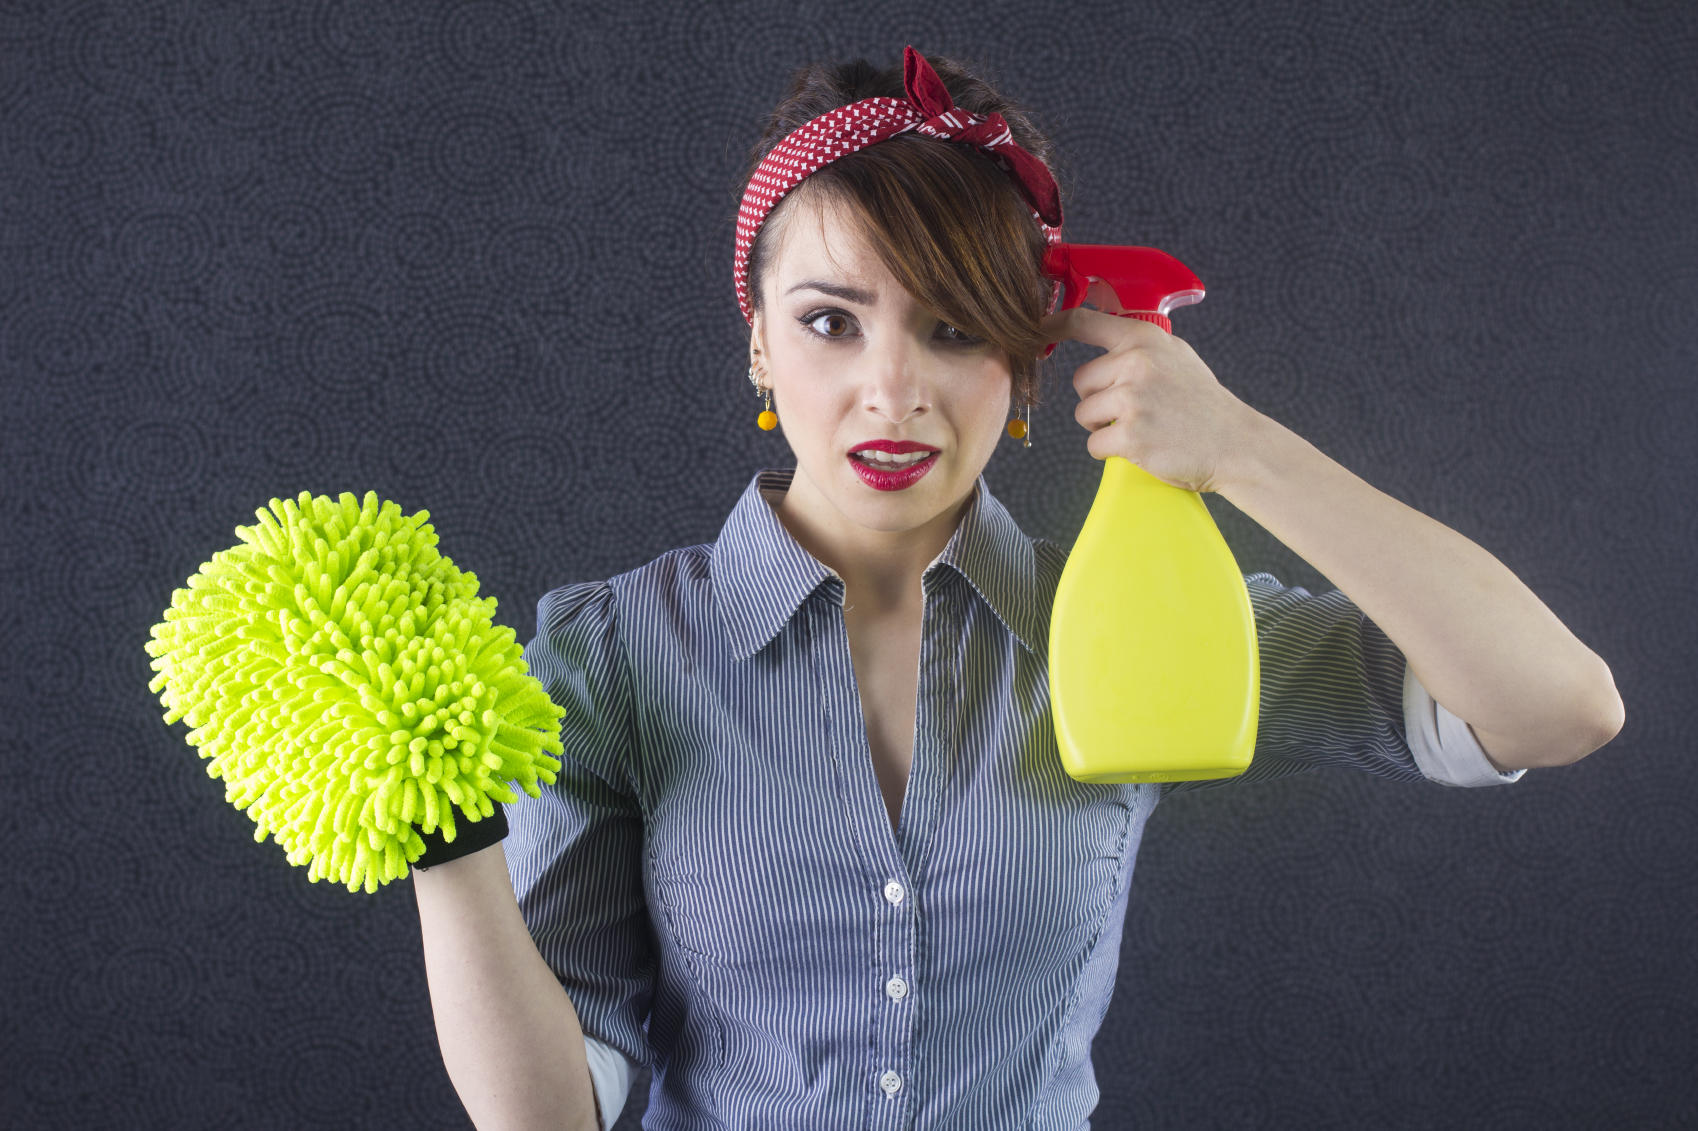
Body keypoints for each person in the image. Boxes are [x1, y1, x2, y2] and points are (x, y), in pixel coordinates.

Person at [411, 46, 1625, 1131]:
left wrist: (1241, 445)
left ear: (1030, 357)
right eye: (832, 323)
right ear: (759, 343)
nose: (892, 391)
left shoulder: (1134, 621)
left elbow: (1562, 707)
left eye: (952, 329)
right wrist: (440, 834)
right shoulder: (610, 656)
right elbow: (552, 1117)